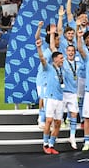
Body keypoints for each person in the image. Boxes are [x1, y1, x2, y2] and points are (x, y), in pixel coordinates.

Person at [36, 27, 64, 155]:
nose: (62, 60)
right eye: (60, 58)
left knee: (57, 123)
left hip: (60, 98)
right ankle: (45, 144)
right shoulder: (48, 68)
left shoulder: (63, 70)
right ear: (55, 59)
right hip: (51, 98)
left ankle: (52, 144)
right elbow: (42, 58)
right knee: (48, 121)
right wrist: (39, 48)